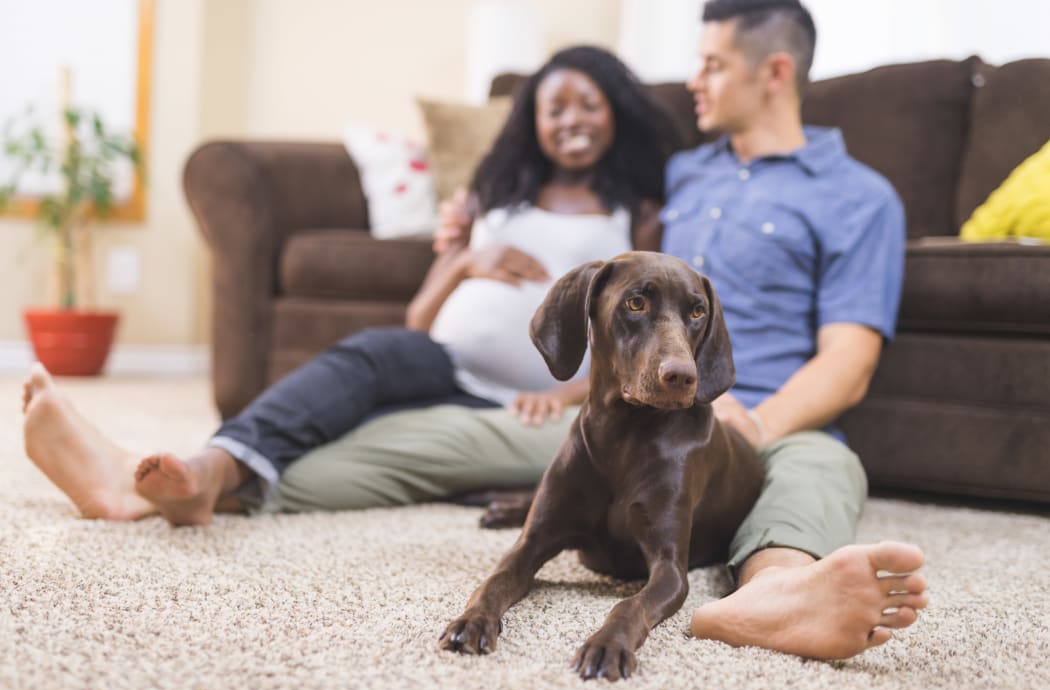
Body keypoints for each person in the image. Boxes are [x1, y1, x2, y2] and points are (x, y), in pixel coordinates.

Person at [265, 0, 930, 661]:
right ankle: (251, 477)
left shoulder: (859, 197)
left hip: (771, 423)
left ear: (774, 71)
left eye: (712, 64)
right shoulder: (679, 175)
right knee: (395, 449)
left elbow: (850, 363)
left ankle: (777, 593)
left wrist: (750, 423)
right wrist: (466, 223)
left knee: (821, 471)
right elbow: (564, 175)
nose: (693, 80)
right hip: (619, 414)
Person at [21, 46, 678, 525]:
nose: (572, 120)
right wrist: (461, 264)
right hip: (438, 361)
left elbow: (647, 335)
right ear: (530, 121)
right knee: (364, 356)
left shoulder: (639, 214)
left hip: (521, 401)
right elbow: (420, 319)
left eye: (588, 105)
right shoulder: (492, 199)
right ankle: (198, 472)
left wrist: (562, 394)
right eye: (553, 107)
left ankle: (146, 487)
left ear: (614, 113)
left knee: (348, 442)